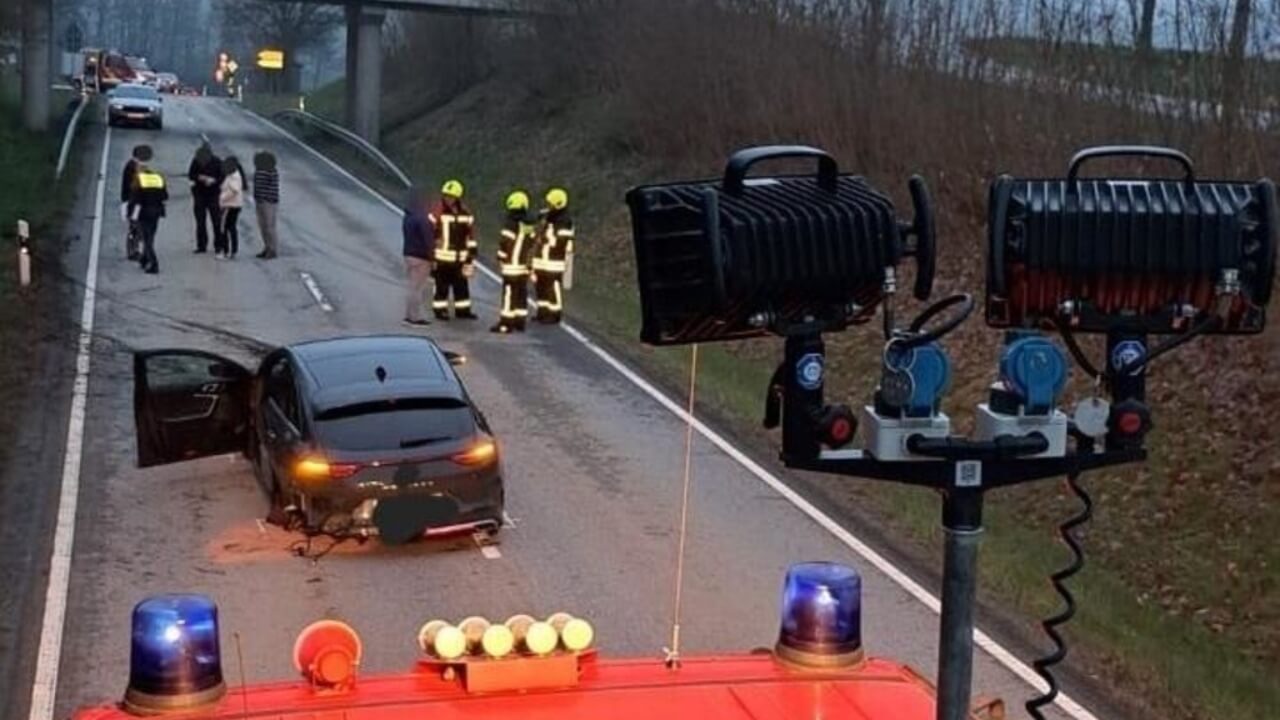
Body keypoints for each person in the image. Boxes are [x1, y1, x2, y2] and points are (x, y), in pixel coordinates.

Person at [428, 179, 478, 320]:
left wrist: (471, 253)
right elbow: (429, 234)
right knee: (441, 287)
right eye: (446, 195)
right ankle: (440, 310)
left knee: (461, 286)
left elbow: (471, 235)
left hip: (460, 258)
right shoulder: (437, 212)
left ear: (457, 197)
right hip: (441, 258)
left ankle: (463, 311)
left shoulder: (466, 213)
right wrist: (430, 257)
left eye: (451, 196)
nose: (448, 198)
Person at [491, 190, 536, 333]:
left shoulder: (510, 224)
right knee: (521, 293)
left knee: (509, 293)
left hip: (511, 266)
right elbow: (531, 244)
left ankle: (506, 323)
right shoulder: (529, 224)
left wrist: (501, 257)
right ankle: (519, 322)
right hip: (524, 266)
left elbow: (505, 243)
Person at [532, 187, 575, 324]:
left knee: (552, 287)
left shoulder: (564, 220)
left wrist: (545, 239)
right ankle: (542, 312)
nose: (548, 206)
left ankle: (554, 314)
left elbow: (561, 242)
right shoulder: (550, 217)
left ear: (558, 204)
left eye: (550, 203)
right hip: (543, 258)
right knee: (541, 286)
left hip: (554, 260)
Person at [401, 184, 434, 327]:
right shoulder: (423, 219)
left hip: (409, 253)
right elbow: (428, 239)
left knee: (412, 286)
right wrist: (433, 256)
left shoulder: (408, 217)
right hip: (421, 256)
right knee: (418, 288)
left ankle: (409, 315)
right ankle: (414, 318)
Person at [129, 158, 169, 274]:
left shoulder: (138, 180)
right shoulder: (158, 178)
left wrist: (132, 216)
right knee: (151, 236)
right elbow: (165, 196)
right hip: (156, 212)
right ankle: (144, 259)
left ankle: (154, 264)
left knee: (147, 240)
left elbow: (136, 201)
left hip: (144, 213)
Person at [187, 142, 223, 254]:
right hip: (200, 194)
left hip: (214, 195)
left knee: (216, 221)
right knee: (200, 222)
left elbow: (223, 177)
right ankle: (201, 245)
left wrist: (214, 181)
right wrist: (200, 178)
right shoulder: (196, 161)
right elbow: (191, 175)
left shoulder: (218, 162)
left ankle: (219, 245)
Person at [120, 144, 152, 260]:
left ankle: (134, 249)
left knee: (136, 227)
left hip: (132, 201)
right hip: (131, 202)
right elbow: (134, 185)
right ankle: (132, 251)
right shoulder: (132, 167)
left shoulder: (133, 166)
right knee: (135, 227)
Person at [216, 155, 247, 259]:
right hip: (234, 205)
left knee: (224, 228)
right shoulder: (233, 175)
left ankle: (226, 251)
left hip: (230, 205)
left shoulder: (234, 177)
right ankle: (232, 250)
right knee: (231, 227)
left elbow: (234, 190)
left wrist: (222, 198)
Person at [252, 151, 280, 259]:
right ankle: (267, 247)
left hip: (268, 202)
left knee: (269, 226)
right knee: (262, 226)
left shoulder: (271, 172)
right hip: (259, 201)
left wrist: (265, 198)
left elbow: (271, 188)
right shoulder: (259, 171)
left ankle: (272, 249)